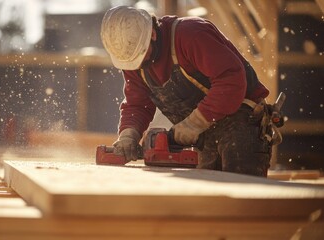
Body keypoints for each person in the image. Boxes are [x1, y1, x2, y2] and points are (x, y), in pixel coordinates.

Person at [100, 6, 274, 177]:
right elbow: (137, 104)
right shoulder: (133, 58)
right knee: (209, 199)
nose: (136, 66)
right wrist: (128, 135)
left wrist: (192, 125)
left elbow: (231, 81)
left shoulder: (190, 35)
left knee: (243, 195)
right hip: (203, 135)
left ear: (152, 34)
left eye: (140, 57)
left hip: (241, 123)